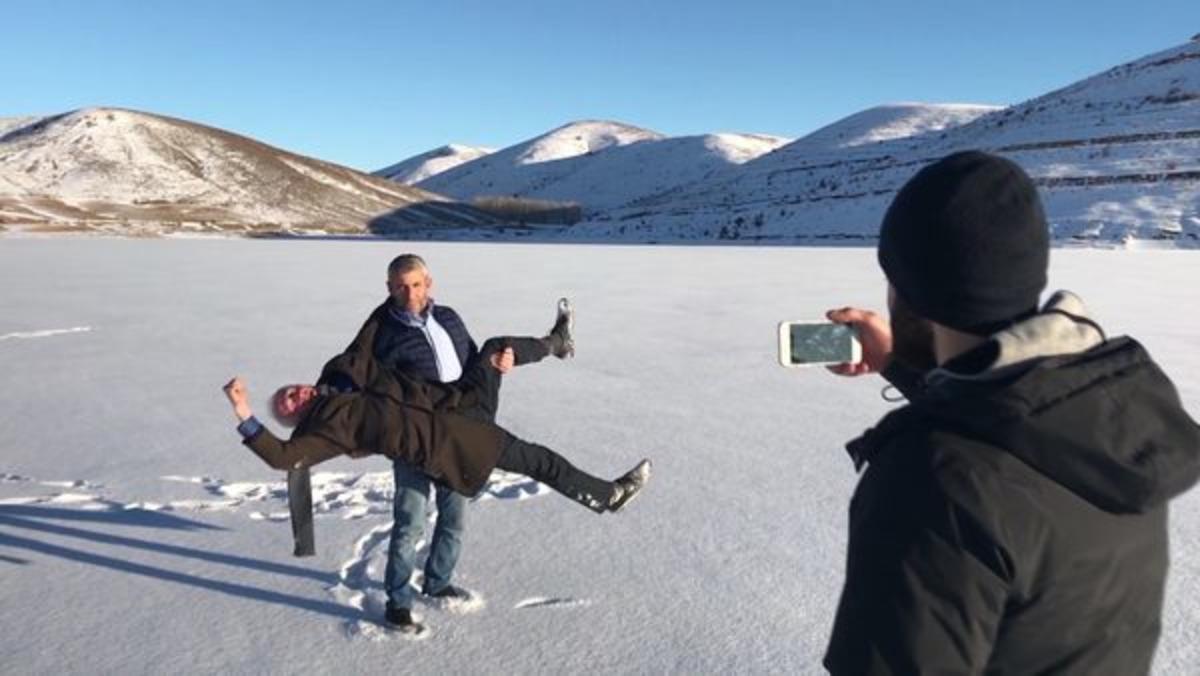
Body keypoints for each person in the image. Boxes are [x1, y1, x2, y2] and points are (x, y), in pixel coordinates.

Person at [821, 150, 1200, 674]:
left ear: (910, 291)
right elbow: (1010, 424)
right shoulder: (1113, 416)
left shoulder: (933, 483)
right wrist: (900, 366)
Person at [222, 306, 651, 633]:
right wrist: (244, 412)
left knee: (496, 347)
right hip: (449, 445)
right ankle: (398, 605)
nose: (294, 395)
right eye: (288, 405)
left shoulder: (345, 367)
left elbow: (373, 328)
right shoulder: (327, 430)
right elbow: (284, 458)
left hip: (461, 403)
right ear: (296, 420)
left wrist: (402, 295)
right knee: (527, 468)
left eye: (290, 390)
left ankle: (557, 344)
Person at [339, 254, 518, 628]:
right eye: (401, 286)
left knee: (454, 518)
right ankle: (398, 601)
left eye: (416, 284)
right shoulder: (381, 332)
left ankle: (437, 583)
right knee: (410, 522)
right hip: (412, 439)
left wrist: (498, 362)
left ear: (429, 283)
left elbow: (473, 360)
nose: (410, 293)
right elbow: (352, 371)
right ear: (389, 288)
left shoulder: (450, 318)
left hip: (456, 433)